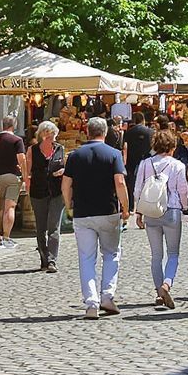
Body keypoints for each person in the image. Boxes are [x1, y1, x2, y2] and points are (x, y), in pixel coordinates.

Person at [62, 117, 129, 319]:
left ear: (87, 132)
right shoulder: (114, 154)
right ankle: (107, 296)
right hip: (108, 211)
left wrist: (68, 205)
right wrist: (126, 207)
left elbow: (65, 184)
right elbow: (120, 182)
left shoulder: (75, 155)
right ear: (105, 132)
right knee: (111, 254)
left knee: (86, 258)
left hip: (83, 213)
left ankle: (91, 303)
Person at [133, 129, 188, 309]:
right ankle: (167, 284)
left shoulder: (145, 164)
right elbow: (182, 190)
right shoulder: (177, 166)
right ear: (173, 146)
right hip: (171, 210)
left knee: (156, 255)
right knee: (173, 253)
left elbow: (138, 190)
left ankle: (158, 292)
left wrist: (138, 213)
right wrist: (186, 206)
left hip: (151, 211)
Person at [26, 121, 66, 273]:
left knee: (54, 227)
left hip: (56, 192)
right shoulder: (33, 150)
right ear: (43, 135)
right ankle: (43, 259)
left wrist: (62, 171)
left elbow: (64, 166)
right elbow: (27, 172)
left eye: (54, 136)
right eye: (50, 136)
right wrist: (27, 185)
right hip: (38, 192)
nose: (53, 139)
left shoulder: (60, 149)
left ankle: (52, 261)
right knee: (41, 228)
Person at [0, 115, 26, 248]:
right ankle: (6, 236)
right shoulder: (17, 140)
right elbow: (21, 159)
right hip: (12, 176)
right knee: (9, 207)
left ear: (2, 125)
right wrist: (25, 175)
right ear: (14, 126)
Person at [122, 111, 154, 189]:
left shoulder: (129, 132)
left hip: (132, 162)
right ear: (143, 120)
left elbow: (125, 147)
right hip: (147, 160)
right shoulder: (150, 132)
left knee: (133, 185)